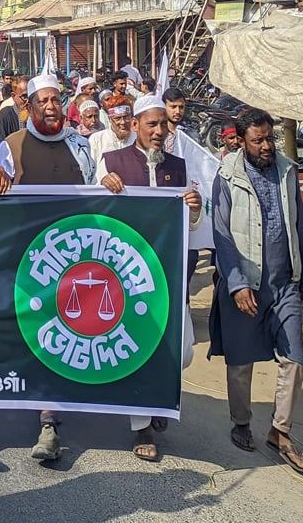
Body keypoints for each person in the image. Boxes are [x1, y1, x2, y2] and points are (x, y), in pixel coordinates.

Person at [0, 73, 94, 461]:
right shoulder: (10, 146)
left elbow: (100, 193)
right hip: (30, 262)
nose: (50, 108)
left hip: (74, 260)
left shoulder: (82, 146)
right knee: (37, 335)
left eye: (55, 101)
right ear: (28, 108)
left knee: (64, 334)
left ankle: (49, 422)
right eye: (42, 102)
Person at [210, 107, 303, 476]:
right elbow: (221, 235)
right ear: (241, 141)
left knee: (295, 357)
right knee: (241, 363)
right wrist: (236, 283)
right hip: (245, 284)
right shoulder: (226, 175)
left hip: (283, 283)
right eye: (258, 140)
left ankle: (280, 431)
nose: (266, 145)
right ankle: (241, 422)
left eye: (269, 138)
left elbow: (299, 227)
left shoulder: (287, 170)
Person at [97, 95, 201, 461]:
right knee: (137, 347)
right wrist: (102, 188)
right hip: (128, 278)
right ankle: (140, 425)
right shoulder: (112, 163)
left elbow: (189, 224)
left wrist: (195, 208)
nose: (159, 131)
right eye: (152, 124)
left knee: (182, 350)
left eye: (163, 124)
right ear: (136, 125)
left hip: (169, 274)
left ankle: (157, 403)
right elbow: (95, 216)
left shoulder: (178, 166)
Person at [89, 94, 136, 172]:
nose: (123, 122)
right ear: (110, 119)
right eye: (117, 118)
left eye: (126, 117)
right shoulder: (96, 140)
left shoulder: (138, 139)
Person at [0, 75, 29, 149]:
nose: (28, 101)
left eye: (31, 96)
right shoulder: (5, 115)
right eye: (24, 96)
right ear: (13, 96)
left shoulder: (38, 116)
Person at [161, 88, 188, 154]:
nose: (178, 111)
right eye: (173, 107)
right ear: (164, 107)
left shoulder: (189, 134)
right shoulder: (157, 133)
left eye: (181, 107)